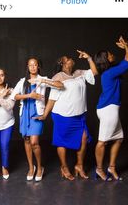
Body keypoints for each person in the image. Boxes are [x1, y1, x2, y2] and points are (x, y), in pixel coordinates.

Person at [35, 51, 98, 180]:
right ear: (63, 64)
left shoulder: (79, 73)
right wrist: (44, 115)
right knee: (62, 142)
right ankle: (64, 167)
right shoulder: (58, 76)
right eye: (68, 59)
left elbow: (94, 72)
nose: (71, 59)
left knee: (84, 139)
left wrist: (89, 58)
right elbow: (52, 99)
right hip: (62, 116)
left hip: (79, 115)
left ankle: (79, 165)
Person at [11, 56, 63, 182]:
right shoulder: (23, 81)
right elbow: (14, 96)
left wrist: (44, 82)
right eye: (30, 65)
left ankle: (40, 167)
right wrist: (30, 95)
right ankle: (31, 167)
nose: (33, 67)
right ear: (27, 67)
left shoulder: (43, 79)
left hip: (37, 113)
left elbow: (60, 85)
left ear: (38, 66)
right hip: (25, 114)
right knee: (27, 140)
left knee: (34, 142)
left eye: (35, 65)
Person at [94, 36, 128, 181]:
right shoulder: (109, 73)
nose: (112, 54)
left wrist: (126, 45)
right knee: (102, 141)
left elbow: (125, 60)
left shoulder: (111, 71)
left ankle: (111, 167)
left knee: (118, 138)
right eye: (109, 54)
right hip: (108, 109)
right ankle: (99, 169)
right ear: (106, 59)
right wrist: (126, 47)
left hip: (110, 108)